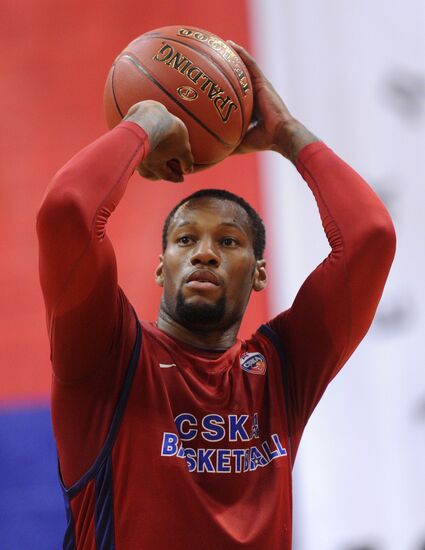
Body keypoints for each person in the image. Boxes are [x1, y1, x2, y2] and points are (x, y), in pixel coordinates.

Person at [37, 42, 396, 550]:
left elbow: (370, 237)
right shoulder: (106, 356)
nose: (204, 253)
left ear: (259, 274)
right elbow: (68, 210)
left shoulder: (283, 370)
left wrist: (288, 135)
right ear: (162, 268)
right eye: (186, 240)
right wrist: (142, 123)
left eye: (228, 241)